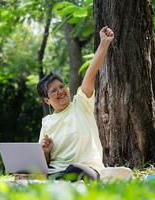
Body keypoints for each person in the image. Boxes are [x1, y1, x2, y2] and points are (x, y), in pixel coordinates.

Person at [37, 26, 114, 181]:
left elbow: (90, 74)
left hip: (87, 169)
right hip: (54, 171)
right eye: (53, 91)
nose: (60, 91)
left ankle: (52, 181)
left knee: (76, 169)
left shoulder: (80, 104)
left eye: (61, 87)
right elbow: (43, 163)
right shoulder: (47, 122)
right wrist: (45, 151)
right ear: (47, 100)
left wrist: (104, 43)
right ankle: (52, 181)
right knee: (32, 174)